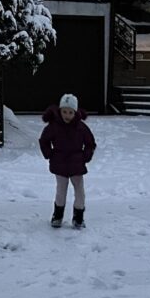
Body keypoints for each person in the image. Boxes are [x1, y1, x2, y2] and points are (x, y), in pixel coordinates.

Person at [39, 93, 96, 229]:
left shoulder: (81, 127)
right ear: (60, 111)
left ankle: (78, 217)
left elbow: (90, 143)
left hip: (77, 164)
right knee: (61, 191)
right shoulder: (53, 126)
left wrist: (86, 156)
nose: (67, 115)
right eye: (64, 111)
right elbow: (44, 141)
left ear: (75, 112)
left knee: (80, 191)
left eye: (70, 112)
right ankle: (57, 216)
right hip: (59, 163)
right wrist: (49, 154)